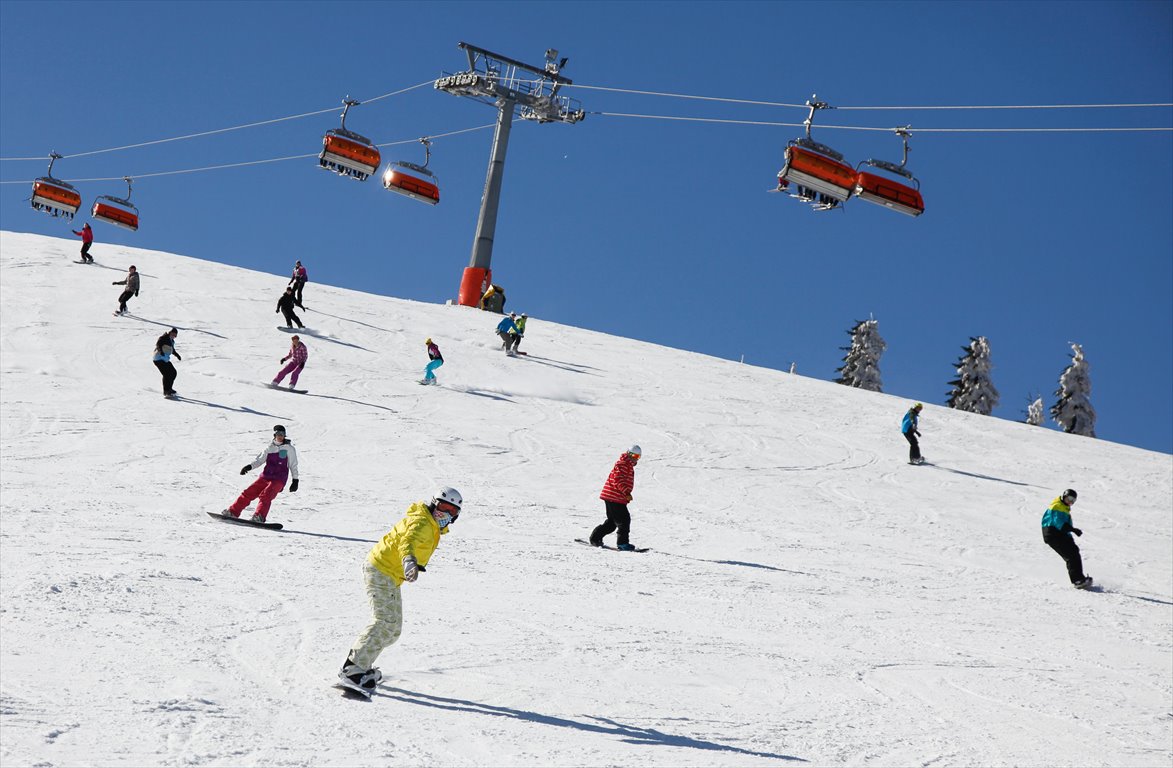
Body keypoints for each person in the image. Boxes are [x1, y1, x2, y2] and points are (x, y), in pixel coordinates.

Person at [338, 487, 464, 697]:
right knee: (384, 622)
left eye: (452, 510)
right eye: (443, 506)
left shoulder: (430, 524)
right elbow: (408, 541)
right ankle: (352, 669)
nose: (446, 513)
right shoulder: (422, 523)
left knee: (393, 630)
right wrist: (409, 560)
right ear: (434, 504)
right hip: (381, 570)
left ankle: (362, 665)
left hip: (388, 573)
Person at [221, 424, 299, 523]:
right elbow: (259, 460)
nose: (280, 436)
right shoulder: (269, 448)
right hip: (265, 477)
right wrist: (249, 467)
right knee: (248, 492)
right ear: (274, 435)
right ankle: (232, 512)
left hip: (279, 479)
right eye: (278, 434)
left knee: (266, 495)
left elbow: (293, 464)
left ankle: (259, 516)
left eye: (283, 434)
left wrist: (295, 480)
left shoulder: (289, 449)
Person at [589, 445, 641, 551]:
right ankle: (622, 543)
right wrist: (626, 492)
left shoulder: (627, 465)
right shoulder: (622, 464)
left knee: (612, 523)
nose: (635, 458)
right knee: (624, 520)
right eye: (633, 455)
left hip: (615, 497)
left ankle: (595, 538)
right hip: (614, 497)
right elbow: (617, 480)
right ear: (628, 453)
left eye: (637, 456)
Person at [1042, 489, 1092, 589]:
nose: (1071, 502)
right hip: (1052, 534)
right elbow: (1058, 523)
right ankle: (1077, 580)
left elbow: (1063, 526)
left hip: (1060, 534)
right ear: (1064, 496)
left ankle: (1080, 578)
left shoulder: (1065, 507)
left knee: (1074, 551)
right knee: (1070, 555)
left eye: (1073, 500)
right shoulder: (1057, 506)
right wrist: (1073, 529)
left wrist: (1070, 535)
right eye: (1069, 498)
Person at [152, 327, 182, 399]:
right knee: (166, 374)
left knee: (173, 372)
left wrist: (177, 355)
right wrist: (160, 351)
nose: (174, 336)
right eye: (173, 334)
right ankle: (166, 391)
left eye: (175, 336)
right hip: (158, 359)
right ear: (170, 332)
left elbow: (172, 350)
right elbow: (158, 345)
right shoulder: (163, 338)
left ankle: (169, 389)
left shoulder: (171, 341)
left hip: (164, 359)